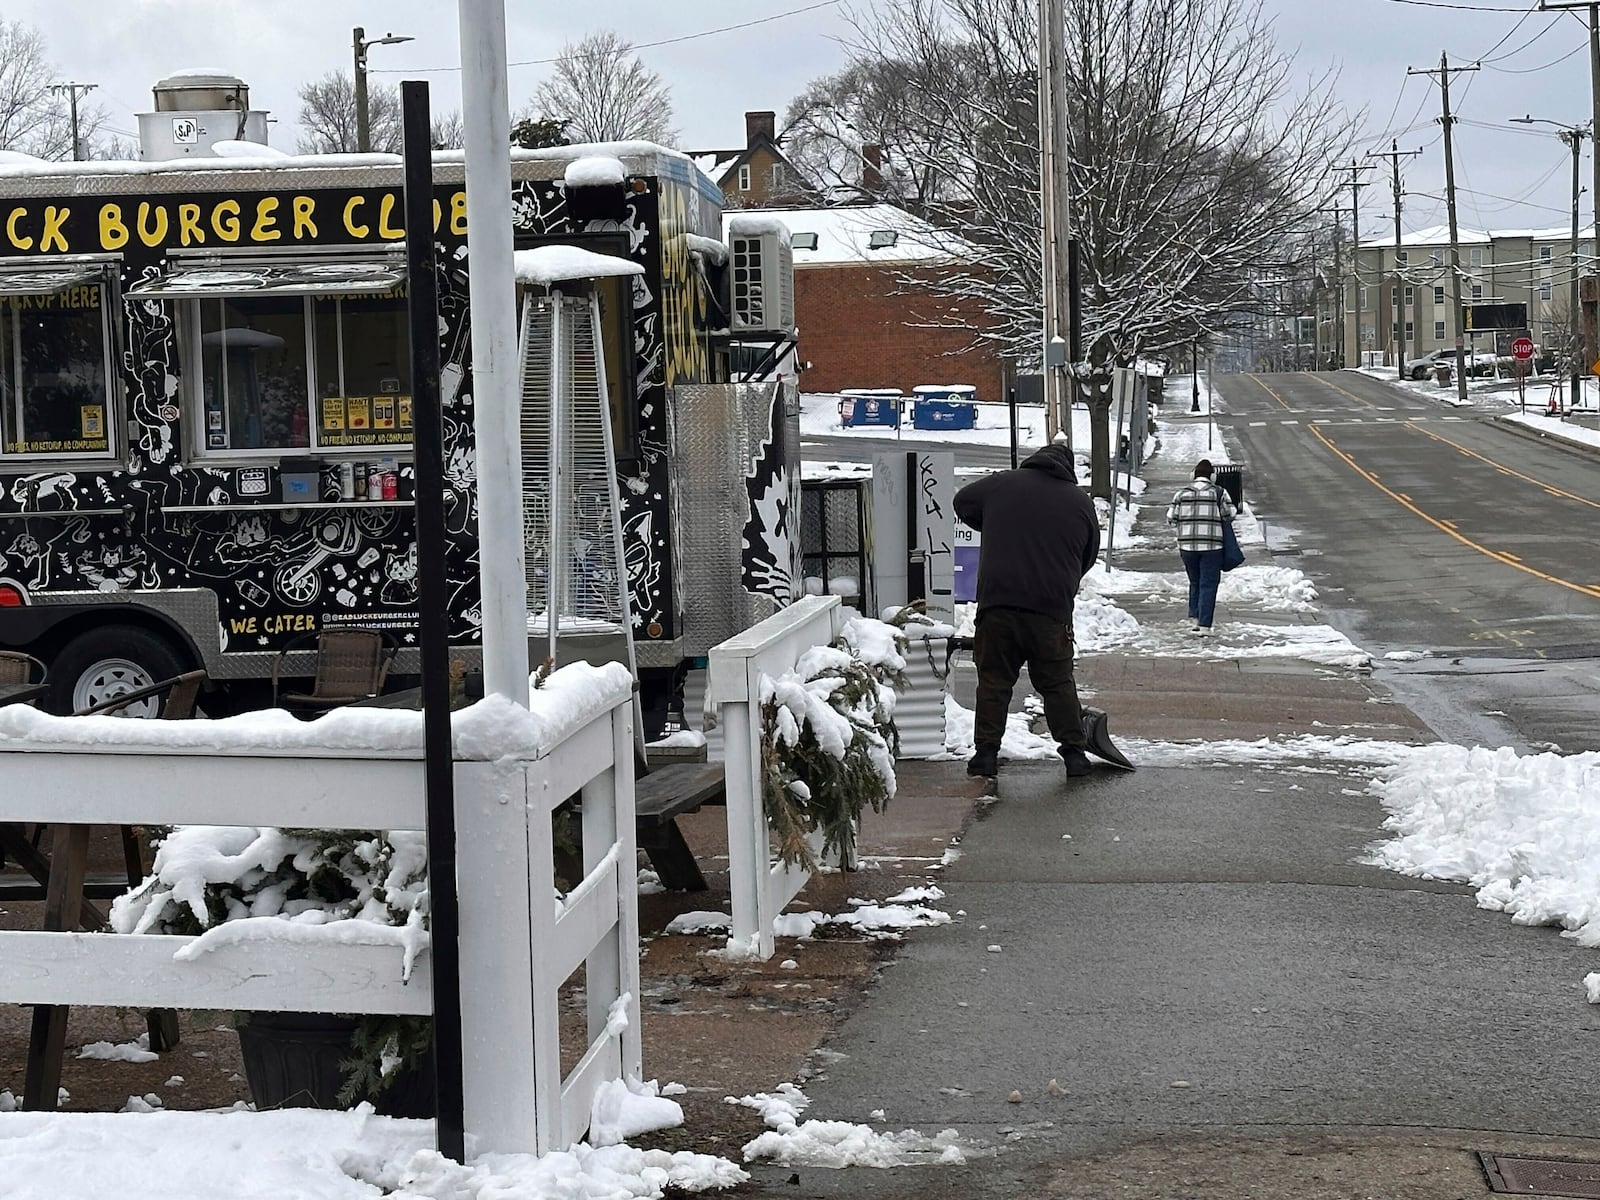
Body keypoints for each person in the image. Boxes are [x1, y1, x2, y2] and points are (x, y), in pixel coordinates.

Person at [953, 442, 1101, 781]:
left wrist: (990, 522)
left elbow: (962, 502)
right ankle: (1074, 756)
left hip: (997, 607)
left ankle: (986, 754)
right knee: (1057, 683)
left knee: (993, 681)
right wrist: (1064, 577)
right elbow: (1089, 554)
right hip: (1050, 611)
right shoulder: (1079, 502)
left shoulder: (1001, 484)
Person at [1166, 459, 1236, 634]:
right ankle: (1205, 625)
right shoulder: (1218, 492)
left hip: (1187, 547)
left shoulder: (1181, 494)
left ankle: (1195, 618)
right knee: (1209, 583)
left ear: (1193, 476)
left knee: (1194, 581)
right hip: (1212, 546)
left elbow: (1171, 518)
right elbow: (1230, 514)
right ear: (1212, 476)